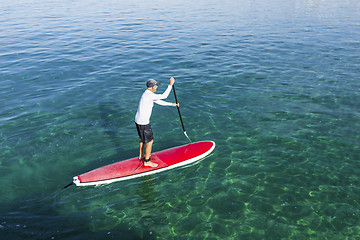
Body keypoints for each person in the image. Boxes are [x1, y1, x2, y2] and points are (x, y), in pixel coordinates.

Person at [135, 77, 179, 167]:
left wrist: (171, 104)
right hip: (144, 122)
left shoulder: (147, 94)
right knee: (150, 141)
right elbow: (164, 96)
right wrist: (170, 85)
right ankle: (147, 161)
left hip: (138, 120)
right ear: (151, 87)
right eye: (155, 86)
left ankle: (141, 155)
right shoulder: (149, 95)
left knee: (142, 139)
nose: (156, 87)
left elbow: (159, 101)